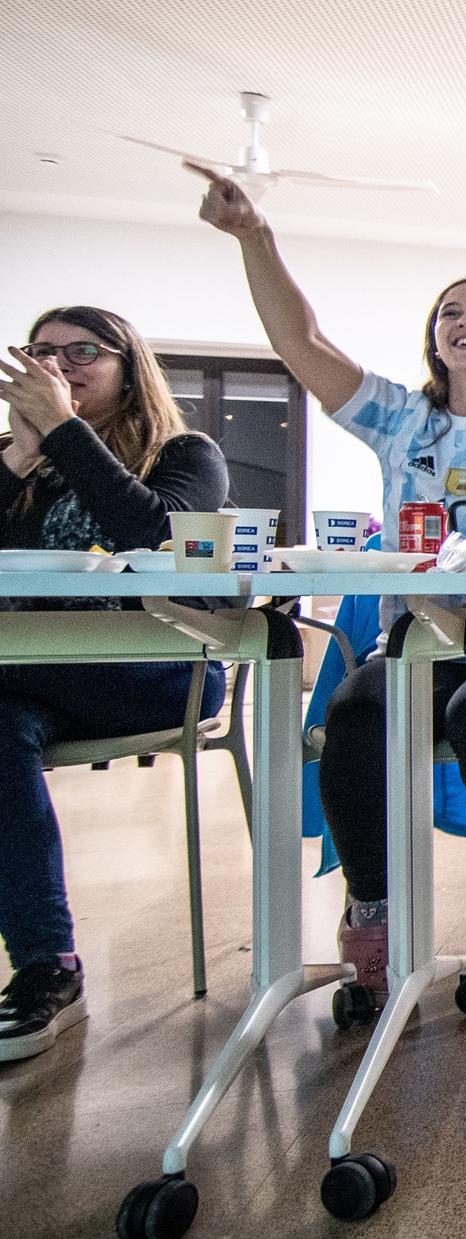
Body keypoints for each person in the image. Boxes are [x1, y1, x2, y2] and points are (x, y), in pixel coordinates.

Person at [196, 167, 466, 998]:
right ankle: (373, 905)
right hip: (423, 642)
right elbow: (302, 344)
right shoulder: (402, 421)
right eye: (450, 312)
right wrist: (255, 236)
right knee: (354, 712)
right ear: (434, 339)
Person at [0, 308, 230, 1061]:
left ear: (129, 367)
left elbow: (158, 537)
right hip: (37, 681)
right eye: (44, 352)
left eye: (82, 351)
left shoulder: (184, 452)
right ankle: (47, 966)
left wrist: (69, 434)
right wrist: (18, 461)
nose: (60, 364)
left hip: (161, 671)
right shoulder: (15, 460)